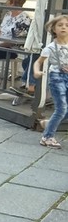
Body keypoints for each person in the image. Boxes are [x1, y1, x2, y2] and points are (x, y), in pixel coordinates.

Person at [34, 14, 68, 149]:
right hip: (57, 77)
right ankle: (47, 137)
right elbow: (38, 62)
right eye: (60, 25)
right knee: (62, 108)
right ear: (54, 29)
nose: (64, 28)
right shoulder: (50, 48)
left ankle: (49, 123)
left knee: (65, 109)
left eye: (66, 25)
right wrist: (36, 71)